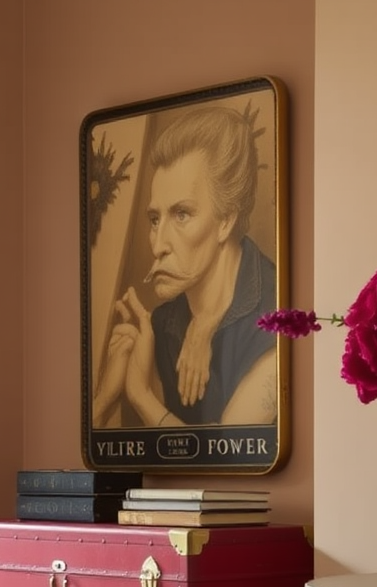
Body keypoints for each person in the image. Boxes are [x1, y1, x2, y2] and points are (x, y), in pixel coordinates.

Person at [95, 103, 277, 428]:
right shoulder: (162, 323)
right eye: (154, 219)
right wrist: (107, 399)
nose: (158, 244)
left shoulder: (277, 315)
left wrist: (139, 393)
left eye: (182, 215)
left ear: (226, 220)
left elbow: (226, 458)